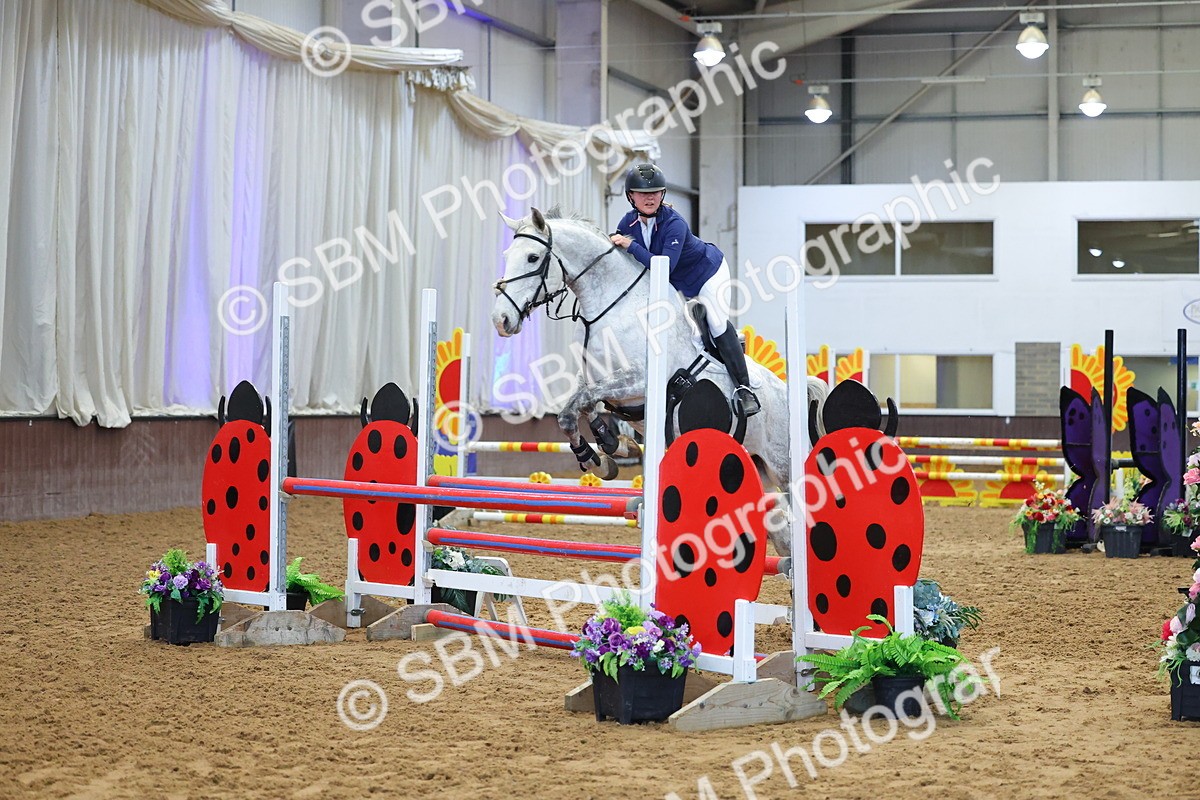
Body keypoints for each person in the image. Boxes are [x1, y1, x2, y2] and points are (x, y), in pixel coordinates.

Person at [609, 163, 760, 416]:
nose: (649, 198)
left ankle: (744, 389)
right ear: (630, 196)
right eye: (643, 193)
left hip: (707, 275)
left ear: (663, 194)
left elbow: (662, 269)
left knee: (716, 322)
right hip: (674, 284)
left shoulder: (674, 223)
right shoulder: (627, 222)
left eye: (655, 192)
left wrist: (630, 246)